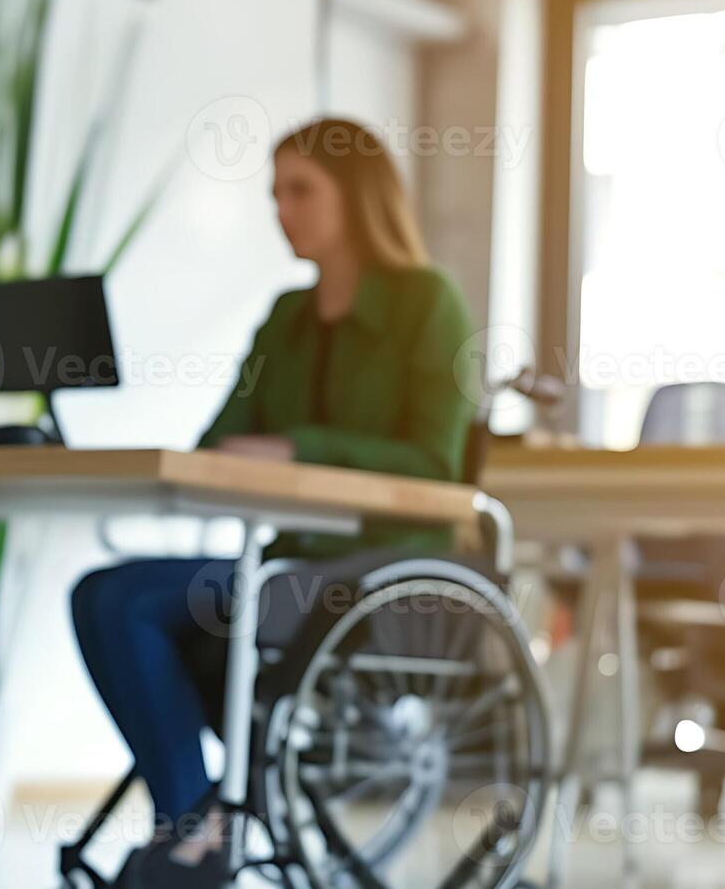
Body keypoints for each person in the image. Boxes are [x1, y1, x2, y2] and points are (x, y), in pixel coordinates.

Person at [69, 118, 479, 886]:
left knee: (130, 603)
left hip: (388, 574)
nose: (280, 209)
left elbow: (435, 466)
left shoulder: (430, 304)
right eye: (273, 193)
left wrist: (301, 448)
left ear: (356, 197)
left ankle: (194, 831)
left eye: (299, 190)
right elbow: (223, 436)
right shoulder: (286, 317)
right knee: (102, 592)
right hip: (289, 565)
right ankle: (194, 818)